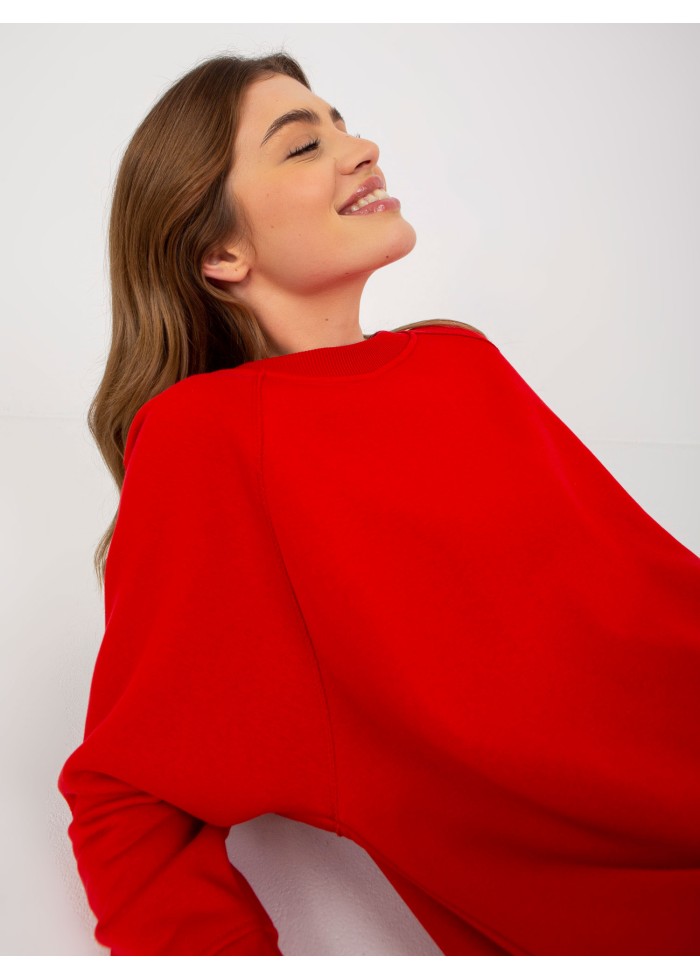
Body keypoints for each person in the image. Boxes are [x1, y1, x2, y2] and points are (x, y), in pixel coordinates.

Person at [57, 51, 700, 956]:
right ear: (220, 252)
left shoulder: (462, 360)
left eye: (344, 125)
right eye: (302, 146)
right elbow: (127, 792)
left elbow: (642, 588)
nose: (362, 150)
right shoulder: (207, 435)